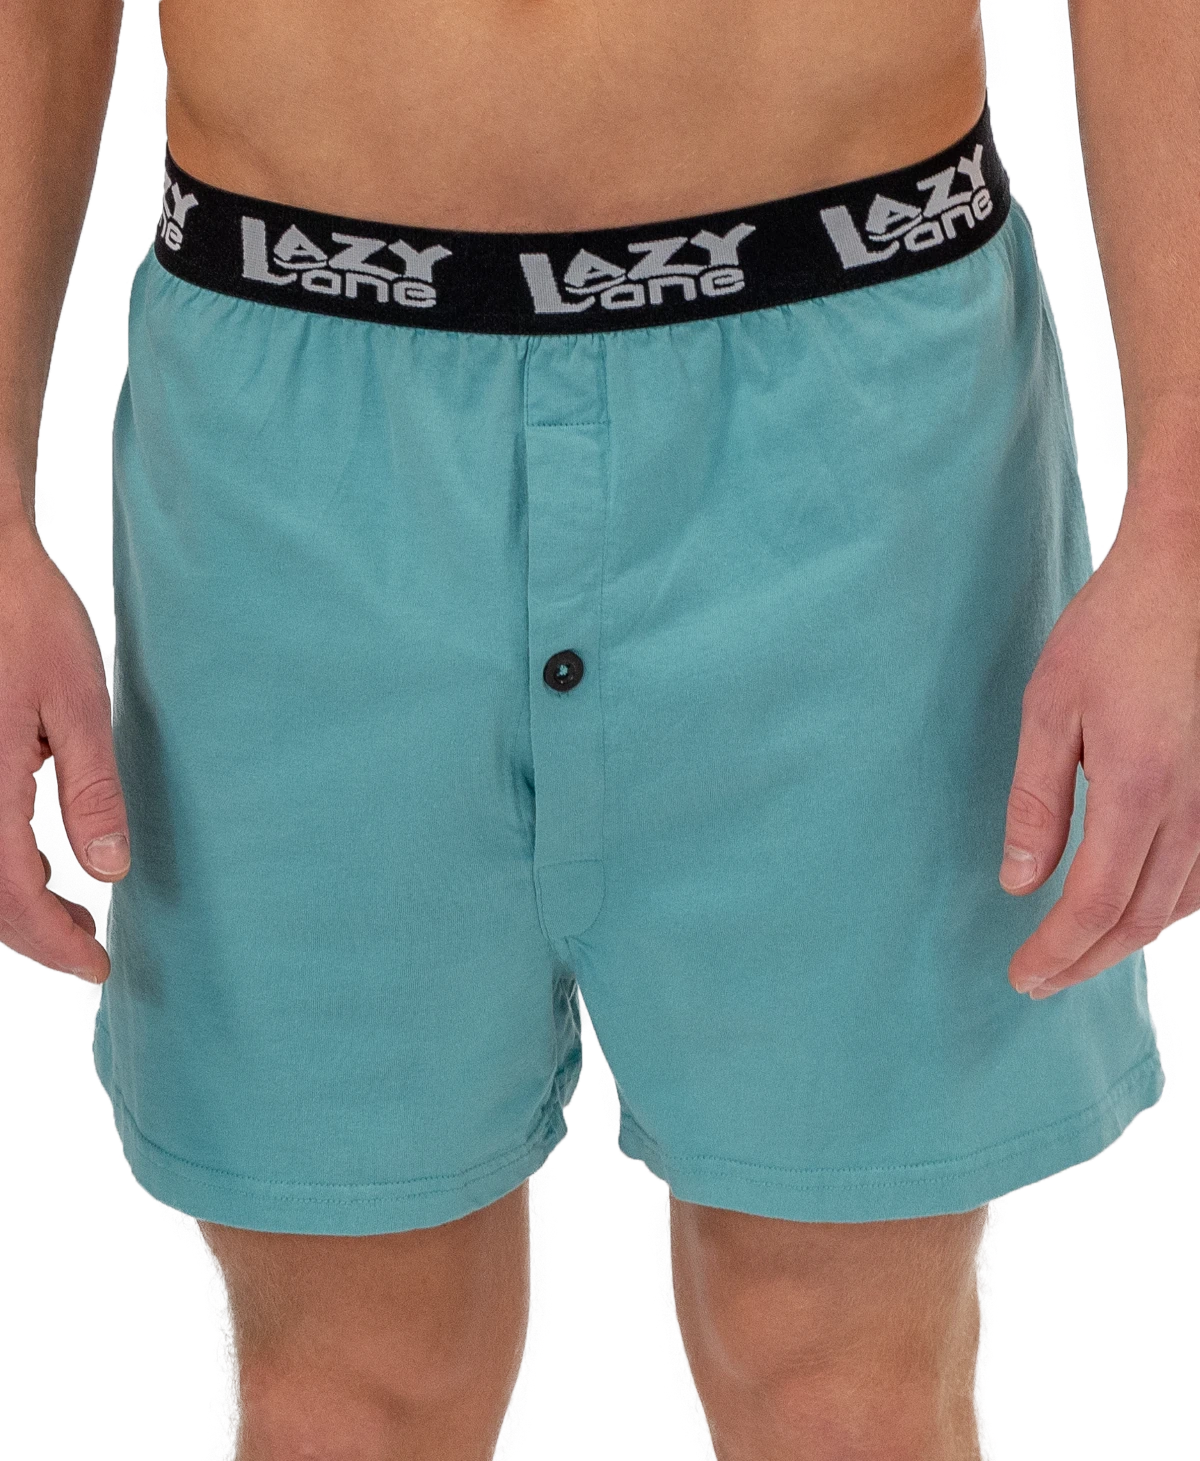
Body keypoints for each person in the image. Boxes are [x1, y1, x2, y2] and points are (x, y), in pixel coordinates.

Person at [1, 3, 1194, 1458]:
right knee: (349, 1381)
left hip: (859, 432)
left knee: (840, 1383)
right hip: (292, 447)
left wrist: (1188, 531)